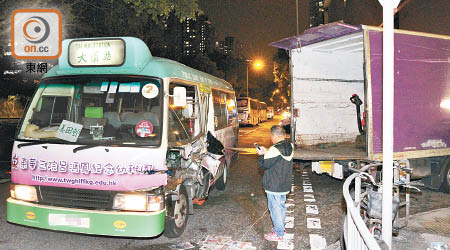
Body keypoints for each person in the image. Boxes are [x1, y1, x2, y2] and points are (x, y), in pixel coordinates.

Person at [256, 125, 294, 241]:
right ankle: (280, 228)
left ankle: (278, 234)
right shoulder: (290, 145)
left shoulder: (274, 149)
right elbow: (277, 160)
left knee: (275, 209)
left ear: (273, 136)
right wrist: (267, 152)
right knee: (281, 207)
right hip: (284, 183)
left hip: (274, 185)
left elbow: (264, 165)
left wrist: (261, 154)